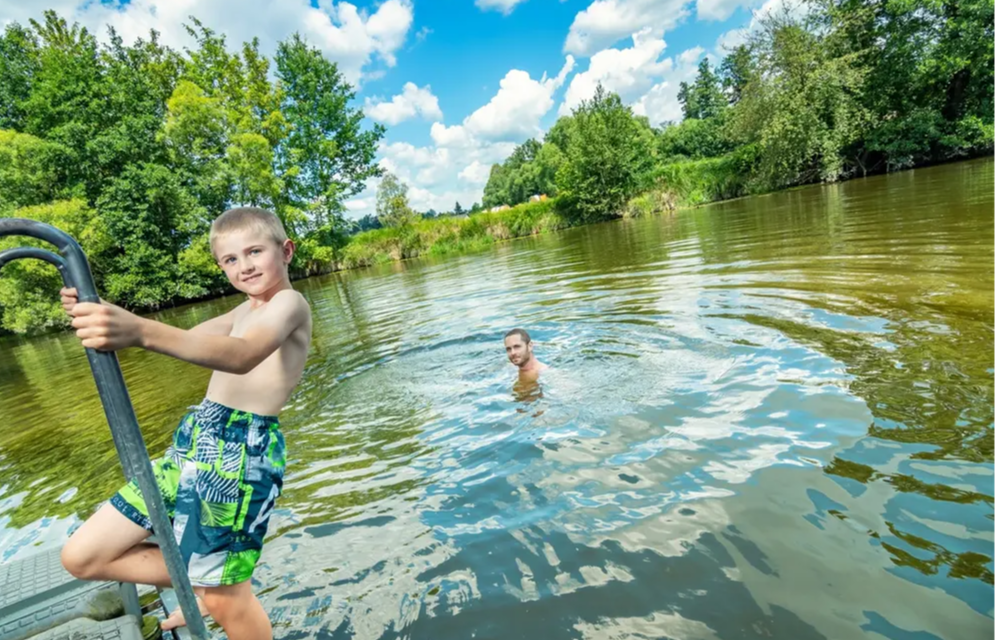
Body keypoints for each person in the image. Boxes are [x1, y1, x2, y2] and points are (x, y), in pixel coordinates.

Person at [58, 207, 312, 640]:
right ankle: (206, 581)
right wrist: (103, 312)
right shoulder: (242, 310)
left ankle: (217, 587)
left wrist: (139, 331)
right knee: (83, 556)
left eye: (255, 251)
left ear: (285, 251)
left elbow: (243, 354)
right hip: (194, 442)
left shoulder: (289, 304)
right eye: (230, 259)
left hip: (239, 456)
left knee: (227, 599)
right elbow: (191, 340)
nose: (245, 265)